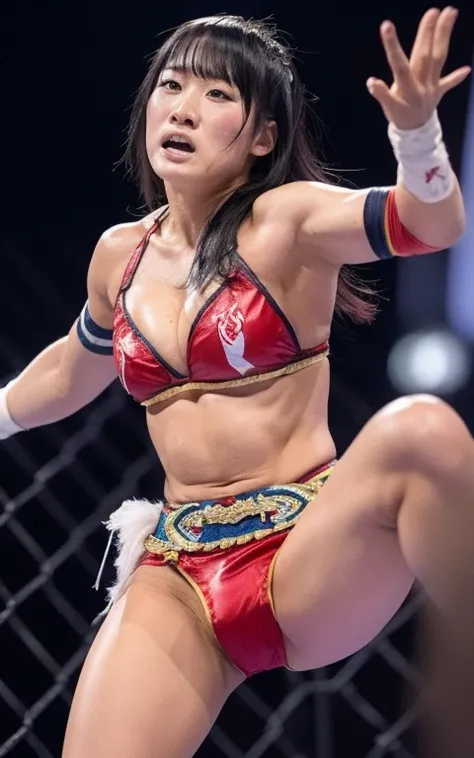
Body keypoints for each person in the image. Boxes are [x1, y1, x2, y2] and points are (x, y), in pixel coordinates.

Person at [1, 9, 473, 758]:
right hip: (179, 569)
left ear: (263, 138)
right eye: (171, 85)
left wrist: (417, 137)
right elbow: (66, 370)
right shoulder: (119, 255)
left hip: (305, 553)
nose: (184, 108)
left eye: (218, 94)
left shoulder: (287, 222)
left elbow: (431, 225)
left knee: (420, 429)